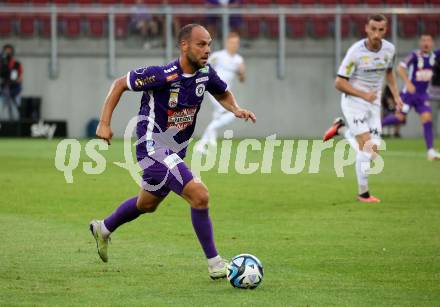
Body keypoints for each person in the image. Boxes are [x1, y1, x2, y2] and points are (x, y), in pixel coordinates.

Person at [89, 24, 256, 279]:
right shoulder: (161, 74)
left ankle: (104, 228)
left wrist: (235, 109)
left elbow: (223, 92)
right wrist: (104, 122)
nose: (207, 50)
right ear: (184, 46)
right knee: (200, 195)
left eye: (209, 44)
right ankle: (215, 264)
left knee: (146, 204)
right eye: (201, 44)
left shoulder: (205, 74)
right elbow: (120, 83)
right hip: (152, 147)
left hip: (175, 151)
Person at [322, 14, 403, 203]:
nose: (376, 33)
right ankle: (363, 194)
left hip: (373, 104)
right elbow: (339, 83)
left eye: (380, 30)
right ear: (366, 28)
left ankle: (342, 130)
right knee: (366, 149)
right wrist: (363, 94)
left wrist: (397, 96)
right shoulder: (355, 52)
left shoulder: (389, 50)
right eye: (373, 29)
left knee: (373, 153)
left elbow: (389, 73)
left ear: (386, 30)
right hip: (354, 102)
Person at [382, 34, 440, 160]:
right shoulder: (414, 55)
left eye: (429, 40)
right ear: (420, 42)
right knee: (399, 118)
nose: (426, 43)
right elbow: (400, 68)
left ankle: (430, 151)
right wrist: (407, 83)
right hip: (409, 94)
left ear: (433, 43)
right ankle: (375, 126)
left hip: (422, 95)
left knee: (427, 118)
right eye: (423, 40)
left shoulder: (435, 55)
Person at [195, 32, 245, 154]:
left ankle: (211, 139)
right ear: (227, 43)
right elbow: (203, 65)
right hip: (215, 90)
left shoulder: (238, 59)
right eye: (232, 42)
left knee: (218, 115)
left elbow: (242, 79)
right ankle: (201, 144)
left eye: (236, 43)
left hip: (226, 92)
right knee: (232, 114)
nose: (234, 45)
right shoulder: (218, 56)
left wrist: (241, 72)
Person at [0, 44, 23, 120]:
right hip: (3, 91)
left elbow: (20, 79)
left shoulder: (16, 64)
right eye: (6, 52)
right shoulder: (1, 64)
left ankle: (16, 129)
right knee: (1, 109)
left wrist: (13, 80)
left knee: (14, 112)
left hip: (14, 90)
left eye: (9, 52)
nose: (7, 54)